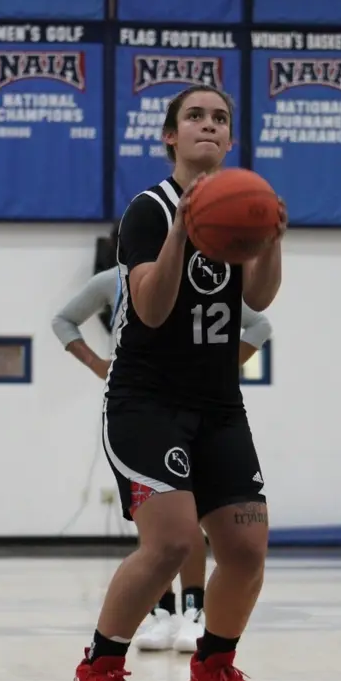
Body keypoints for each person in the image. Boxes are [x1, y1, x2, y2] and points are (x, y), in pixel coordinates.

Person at [67, 83, 285, 681]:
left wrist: (271, 236)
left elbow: (261, 302)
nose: (209, 126)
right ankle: (99, 669)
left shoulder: (240, 206)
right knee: (170, 543)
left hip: (218, 404)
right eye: (195, 117)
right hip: (146, 401)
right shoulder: (148, 210)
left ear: (231, 137)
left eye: (220, 118)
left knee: (246, 548)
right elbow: (154, 309)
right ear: (171, 135)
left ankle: (215, 668)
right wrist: (182, 235)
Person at [51, 257, 274, 654]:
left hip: (201, 409)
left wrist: (217, 371)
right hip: (143, 410)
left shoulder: (204, 277)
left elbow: (260, 324)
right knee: (162, 528)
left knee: (190, 527)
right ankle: (161, 612)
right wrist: (97, 365)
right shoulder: (112, 282)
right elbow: (63, 321)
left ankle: (193, 611)